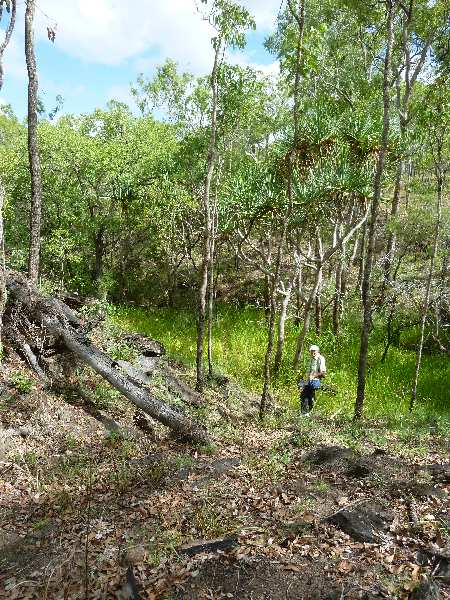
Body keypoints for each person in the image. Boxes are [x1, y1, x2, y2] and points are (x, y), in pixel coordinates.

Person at [298, 344, 326, 415]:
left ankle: (305, 413)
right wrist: (303, 379)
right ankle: (307, 412)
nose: (312, 353)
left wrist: (314, 376)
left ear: (317, 351)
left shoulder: (320, 358)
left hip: (315, 381)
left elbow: (323, 373)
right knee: (304, 394)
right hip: (308, 380)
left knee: (305, 394)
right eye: (311, 351)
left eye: (314, 351)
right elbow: (308, 372)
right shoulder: (310, 359)